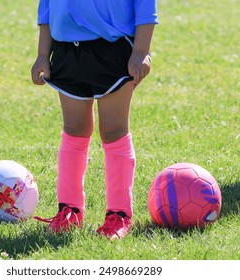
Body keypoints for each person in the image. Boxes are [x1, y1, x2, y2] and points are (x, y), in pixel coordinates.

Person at [31, 0, 158, 239]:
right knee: (74, 129)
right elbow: (47, 8)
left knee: (113, 130)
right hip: (66, 51)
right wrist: (41, 54)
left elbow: (145, 5)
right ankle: (70, 210)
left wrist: (141, 50)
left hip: (114, 49)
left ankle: (119, 214)